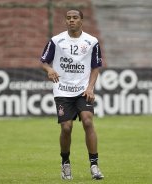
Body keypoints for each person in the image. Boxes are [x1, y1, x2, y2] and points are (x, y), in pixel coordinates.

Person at [40, 9, 104, 180]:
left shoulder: (92, 41)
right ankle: (65, 163)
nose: (71, 21)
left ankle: (94, 165)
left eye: (75, 18)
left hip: (83, 90)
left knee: (88, 121)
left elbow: (96, 67)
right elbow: (44, 61)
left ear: (81, 20)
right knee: (66, 127)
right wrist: (49, 69)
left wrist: (90, 87)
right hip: (62, 90)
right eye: (68, 18)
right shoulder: (56, 40)